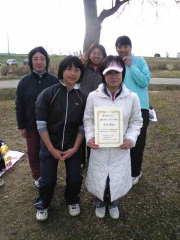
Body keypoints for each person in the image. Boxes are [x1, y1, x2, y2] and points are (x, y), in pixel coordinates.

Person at [84, 55, 142, 219]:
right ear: (104, 74)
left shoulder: (132, 97)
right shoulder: (93, 96)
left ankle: (114, 202)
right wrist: (90, 136)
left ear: (122, 74)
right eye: (110, 73)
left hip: (119, 147)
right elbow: (88, 119)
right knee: (100, 176)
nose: (114, 77)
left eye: (117, 73)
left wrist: (130, 138)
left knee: (115, 177)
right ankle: (100, 201)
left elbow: (137, 121)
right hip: (100, 147)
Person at [34, 56, 87, 221]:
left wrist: (75, 147)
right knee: (47, 180)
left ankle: (72, 200)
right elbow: (41, 125)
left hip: (73, 145)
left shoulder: (82, 97)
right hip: (50, 145)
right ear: (62, 71)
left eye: (77, 70)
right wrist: (51, 149)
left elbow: (82, 126)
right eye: (69, 69)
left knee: (75, 178)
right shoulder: (48, 94)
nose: (73, 73)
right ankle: (43, 204)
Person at [15, 47, 58, 186]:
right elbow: (19, 105)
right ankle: (37, 177)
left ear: (47, 61)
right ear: (31, 61)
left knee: (49, 152)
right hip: (31, 125)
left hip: (50, 126)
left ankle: (49, 176)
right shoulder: (24, 82)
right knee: (33, 152)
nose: (39, 62)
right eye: (35, 59)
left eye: (42, 59)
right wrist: (22, 126)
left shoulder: (54, 81)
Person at [115, 35, 150, 185]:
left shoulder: (139, 61)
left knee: (137, 141)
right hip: (120, 108)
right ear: (116, 49)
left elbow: (144, 82)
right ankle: (122, 170)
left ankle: (135, 172)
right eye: (120, 47)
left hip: (140, 108)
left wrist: (130, 66)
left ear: (130, 47)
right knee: (121, 140)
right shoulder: (115, 63)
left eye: (125, 46)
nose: (123, 49)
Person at [80, 43, 107, 166]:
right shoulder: (83, 68)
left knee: (95, 132)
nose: (96, 56)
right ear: (89, 54)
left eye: (99, 53)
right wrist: (81, 63)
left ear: (103, 56)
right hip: (82, 103)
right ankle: (80, 160)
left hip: (99, 105)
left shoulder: (106, 70)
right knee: (81, 132)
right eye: (93, 53)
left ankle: (92, 158)